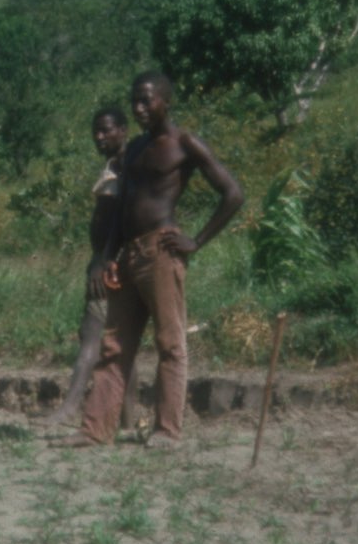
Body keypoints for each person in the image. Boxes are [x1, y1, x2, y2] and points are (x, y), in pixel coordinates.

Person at [80, 71, 245, 449]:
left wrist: (197, 241)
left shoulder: (183, 143)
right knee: (115, 347)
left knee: (170, 344)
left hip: (161, 251)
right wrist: (107, 257)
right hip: (127, 254)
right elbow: (122, 206)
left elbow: (233, 193)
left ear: (165, 102)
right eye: (134, 101)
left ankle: (166, 431)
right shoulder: (135, 149)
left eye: (146, 100)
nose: (138, 108)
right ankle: (94, 430)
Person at [47, 105, 135, 430]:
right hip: (110, 259)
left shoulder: (127, 165)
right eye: (96, 131)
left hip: (110, 262)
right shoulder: (115, 164)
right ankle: (127, 418)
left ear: (123, 130)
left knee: (91, 334)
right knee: (123, 341)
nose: (100, 137)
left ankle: (70, 407)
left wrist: (104, 261)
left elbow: (122, 219)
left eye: (107, 130)